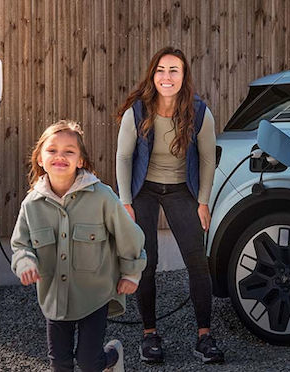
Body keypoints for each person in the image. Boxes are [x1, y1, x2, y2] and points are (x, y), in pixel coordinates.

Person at [115, 47, 224, 364]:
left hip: (182, 190)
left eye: (174, 70)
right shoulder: (137, 112)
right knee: (146, 261)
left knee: (197, 263)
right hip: (144, 190)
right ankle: (150, 335)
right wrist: (125, 201)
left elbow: (207, 160)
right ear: (153, 75)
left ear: (184, 76)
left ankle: (204, 336)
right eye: (161, 70)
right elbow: (124, 157)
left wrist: (202, 201)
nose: (167, 76)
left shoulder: (199, 113)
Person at [11, 120, 147, 372]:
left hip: (95, 295)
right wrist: (26, 262)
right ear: (40, 158)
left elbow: (130, 236)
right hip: (54, 297)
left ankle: (112, 357)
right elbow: (21, 244)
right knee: (59, 363)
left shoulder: (102, 197)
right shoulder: (31, 205)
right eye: (52, 150)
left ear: (81, 160)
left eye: (69, 151)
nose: (60, 156)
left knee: (88, 361)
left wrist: (131, 272)